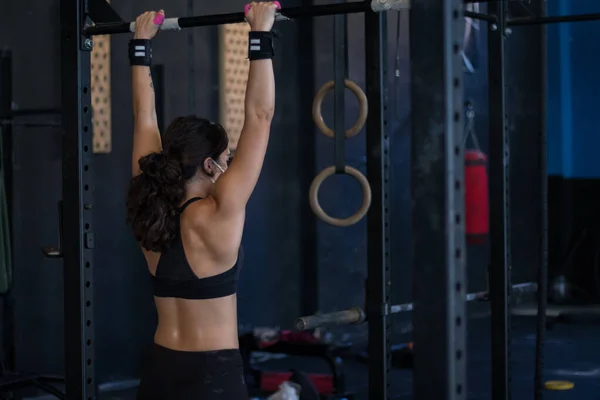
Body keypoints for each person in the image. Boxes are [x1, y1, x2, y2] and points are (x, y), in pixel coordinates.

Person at [125, 3, 278, 399]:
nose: (230, 168)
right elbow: (259, 116)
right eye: (226, 160)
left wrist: (141, 44)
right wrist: (259, 33)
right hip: (212, 377)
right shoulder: (219, 211)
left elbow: (144, 117)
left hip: (159, 371)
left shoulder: (150, 203)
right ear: (209, 165)